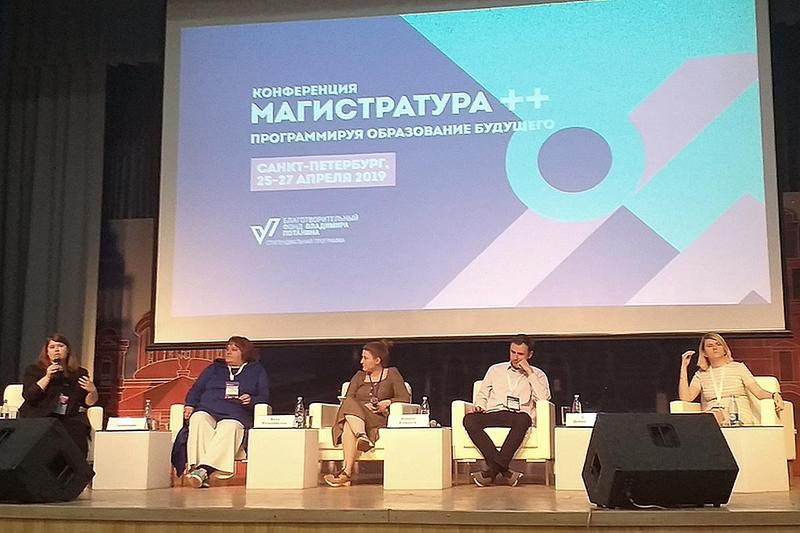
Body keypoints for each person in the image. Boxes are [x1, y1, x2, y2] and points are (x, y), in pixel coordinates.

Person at [176, 336, 269, 488]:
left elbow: (264, 396)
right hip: (208, 408)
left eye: (234, 349)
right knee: (198, 418)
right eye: (227, 349)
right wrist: (190, 405)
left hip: (236, 413)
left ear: (245, 353)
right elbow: (197, 389)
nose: (228, 352)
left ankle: (203, 470)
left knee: (229, 426)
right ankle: (200, 471)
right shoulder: (214, 369)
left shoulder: (256, 370)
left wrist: (251, 400)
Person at [464, 334, 551, 487]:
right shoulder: (495, 370)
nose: (515, 357)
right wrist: (479, 406)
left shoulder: (537, 374)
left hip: (518, 416)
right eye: (513, 352)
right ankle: (504, 471)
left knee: (524, 418)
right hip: (494, 412)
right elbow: (482, 395)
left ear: (530, 355)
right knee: (469, 420)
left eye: (520, 354)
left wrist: (529, 373)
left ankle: (491, 471)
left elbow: (544, 399)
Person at [323, 340, 410, 487]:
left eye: (365, 358)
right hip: (357, 419)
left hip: (377, 418)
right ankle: (347, 471)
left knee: (349, 413)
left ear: (377, 360)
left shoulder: (392, 374)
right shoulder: (359, 376)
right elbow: (349, 398)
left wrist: (386, 403)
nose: (361, 361)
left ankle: (348, 468)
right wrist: (362, 407)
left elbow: (404, 397)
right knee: (349, 413)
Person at [19, 334, 99, 457]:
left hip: (68, 418)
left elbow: (87, 402)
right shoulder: (34, 370)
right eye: (52, 347)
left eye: (60, 346)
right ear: (47, 352)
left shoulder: (79, 373)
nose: (56, 350)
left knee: (76, 431)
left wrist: (92, 391)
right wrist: (47, 377)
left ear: (68, 350)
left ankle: (75, 466)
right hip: (40, 416)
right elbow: (30, 396)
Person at [678, 332, 784, 426]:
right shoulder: (701, 374)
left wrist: (774, 395)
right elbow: (686, 398)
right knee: (709, 417)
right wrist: (684, 367)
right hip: (712, 415)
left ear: (725, 349)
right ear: (704, 353)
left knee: (710, 418)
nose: (715, 348)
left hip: (737, 414)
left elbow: (759, 392)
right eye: (710, 346)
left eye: (718, 344)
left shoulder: (738, 367)